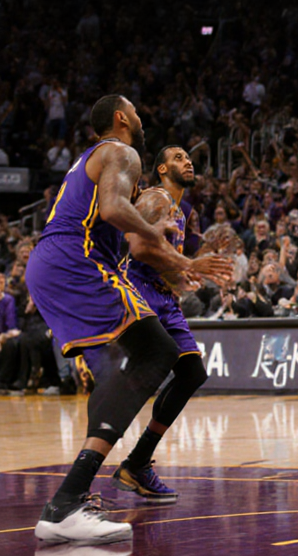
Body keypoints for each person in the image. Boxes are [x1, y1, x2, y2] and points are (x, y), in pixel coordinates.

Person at [23, 95, 231, 543]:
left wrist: (177, 262)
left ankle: (81, 493)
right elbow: (116, 211)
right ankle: (68, 502)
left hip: (51, 263)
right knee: (156, 352)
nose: (141, 116)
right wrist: (163, 241)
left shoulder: (92, 160)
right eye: (135, 110)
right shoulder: (122, 152)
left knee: (127, 366)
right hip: (75, 258)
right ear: (121, 117)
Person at [111, 146, 211, 503]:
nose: (188, 161)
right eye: (179, 157)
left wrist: (184, 278)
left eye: (188, 157)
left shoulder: (180, 212)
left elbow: (162, 263)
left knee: (192, 373)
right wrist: (187, 265)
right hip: (140, 291)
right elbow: (138, 249)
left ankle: (137, 463)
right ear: (162, 168)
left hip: (164, 298)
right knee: (142, 380)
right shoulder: (156, 197)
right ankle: (94, 463)